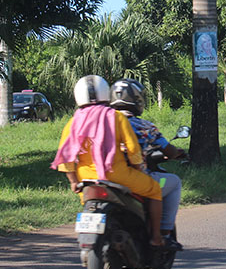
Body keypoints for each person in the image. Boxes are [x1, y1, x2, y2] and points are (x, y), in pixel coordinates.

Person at [51, 75, 174, 248]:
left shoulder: (73, 122)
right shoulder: (116, 117)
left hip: (86, 180)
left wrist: (73, 181)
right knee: (154, 190)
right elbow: (133, 150)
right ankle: (155, 237)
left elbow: (66, 156)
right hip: (117, 175)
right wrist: (139, 169)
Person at [109, 79, 185, 250]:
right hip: (134, 176)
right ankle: (162, 234)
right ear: (136, 99)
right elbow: (169, 151)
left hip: (104, 174)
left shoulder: (102, 123)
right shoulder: (144, 126)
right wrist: (177, 153)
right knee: (172, 182)